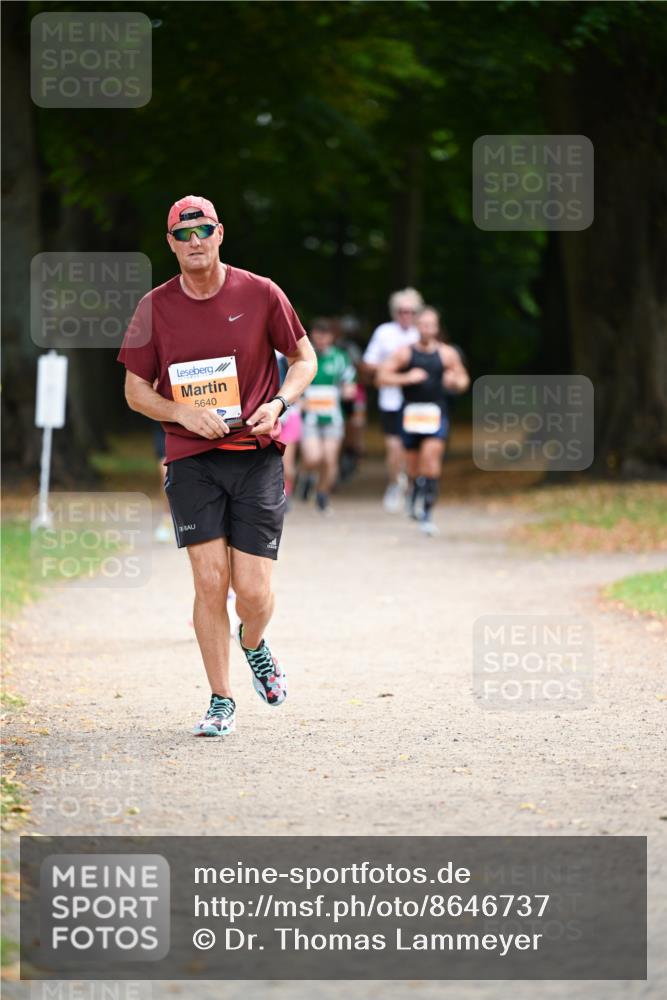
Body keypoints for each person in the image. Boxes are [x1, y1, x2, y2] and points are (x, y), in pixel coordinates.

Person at [117, 194, 316, 736]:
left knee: (251, 591)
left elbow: (304, 358)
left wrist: (279, 404)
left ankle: (253, 644)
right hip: (190, 459)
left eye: (203, 230)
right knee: (210, 582)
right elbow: (135, 390)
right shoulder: (153, 308)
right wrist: (181, 411)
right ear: (171, 244)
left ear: (220, 233)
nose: (195, 241)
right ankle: (220, 699)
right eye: (183, 234)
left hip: (254, 456)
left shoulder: (260, 292)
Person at [377, 306, 469, 536]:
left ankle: (427, 513)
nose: (428, 329)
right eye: (424, 324)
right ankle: (415, 494)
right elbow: (381, 377)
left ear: (437, 328)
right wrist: (406, 377)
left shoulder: (447, 354)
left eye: (432, 325)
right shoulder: (405, 353)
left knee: (431, 460)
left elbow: (463, 380)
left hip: (436, 413)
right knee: (413, 466)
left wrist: (454, 382)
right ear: (417, 327)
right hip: (410, 414)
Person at [361, 287, 423, 512]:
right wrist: (393, 367)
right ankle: (395, 483)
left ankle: (414, 486)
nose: (406, 315)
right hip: (391, 398)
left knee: (414, 448)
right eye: (401, 311)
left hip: (417, 401)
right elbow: (368, 363)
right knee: (394, 447)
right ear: (394, 312)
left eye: (411, 311)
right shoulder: (384, 332)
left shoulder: (421, 333)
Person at [299, 318, 356, 514]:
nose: (322, 339)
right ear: (312, 335)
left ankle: (322, 493)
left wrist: (349, 390)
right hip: (311, 416)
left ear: (331, 337)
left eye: (326, 335)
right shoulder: (305, 356)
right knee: (313, 457)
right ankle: (307, 476)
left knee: (330, 458)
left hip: (333, 416)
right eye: (318, 335)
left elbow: (349, 381)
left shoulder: (340, 358)